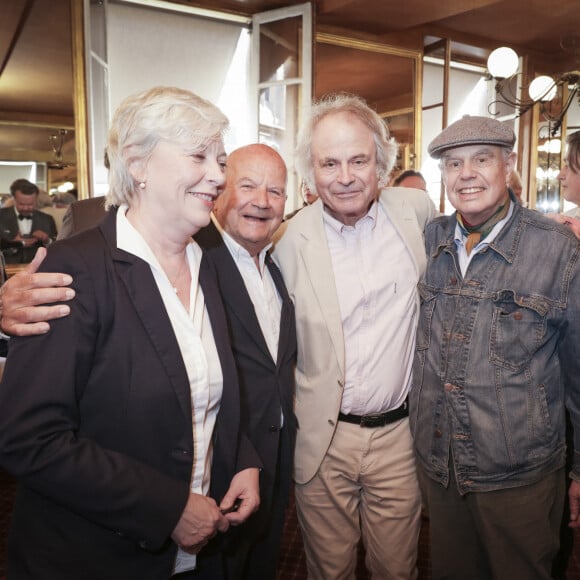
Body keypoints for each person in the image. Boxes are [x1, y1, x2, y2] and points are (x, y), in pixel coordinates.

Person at [0, 143, 297, 579]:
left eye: (217, 163)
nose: (217, 176)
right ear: (138, 166)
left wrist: (243, 457)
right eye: (203, 160)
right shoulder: (80, 262)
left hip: (209, 530)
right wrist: (168, 508)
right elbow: (29, 435)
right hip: (100, 552)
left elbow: (211, 386)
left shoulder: (203, 261)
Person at [273, 93, 437, 579]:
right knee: (330, 571)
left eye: (358, 160)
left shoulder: (417, 213)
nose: (344, 176)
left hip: (399, 438)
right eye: (329, 163)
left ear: (381, 164)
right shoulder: (285, 242)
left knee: (398, 569)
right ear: (311, 171)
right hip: (323, 439)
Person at [410, 115, 580, 580]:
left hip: (518, 475)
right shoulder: (432, 241)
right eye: (452, 164)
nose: (466, 174)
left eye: (481, 160)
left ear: (508, 166)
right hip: (442, 467)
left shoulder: (557, 249)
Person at [197, 143, 297, 579]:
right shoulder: (193, 259)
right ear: (219, 192)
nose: (262, 201)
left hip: (277, 455)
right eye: (248, 186)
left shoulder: (276, 266)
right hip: (223, 460)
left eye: (274, 191)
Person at [0, 178, 57, 263]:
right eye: (21, 204)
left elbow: (57, 247)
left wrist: (46, 240)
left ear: (36, 199)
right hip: (6, 268)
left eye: (30, 204)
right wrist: (12, 243)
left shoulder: (47, 219)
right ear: (14, 199)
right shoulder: (1, 216)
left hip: (39, 269)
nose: (26, 208)